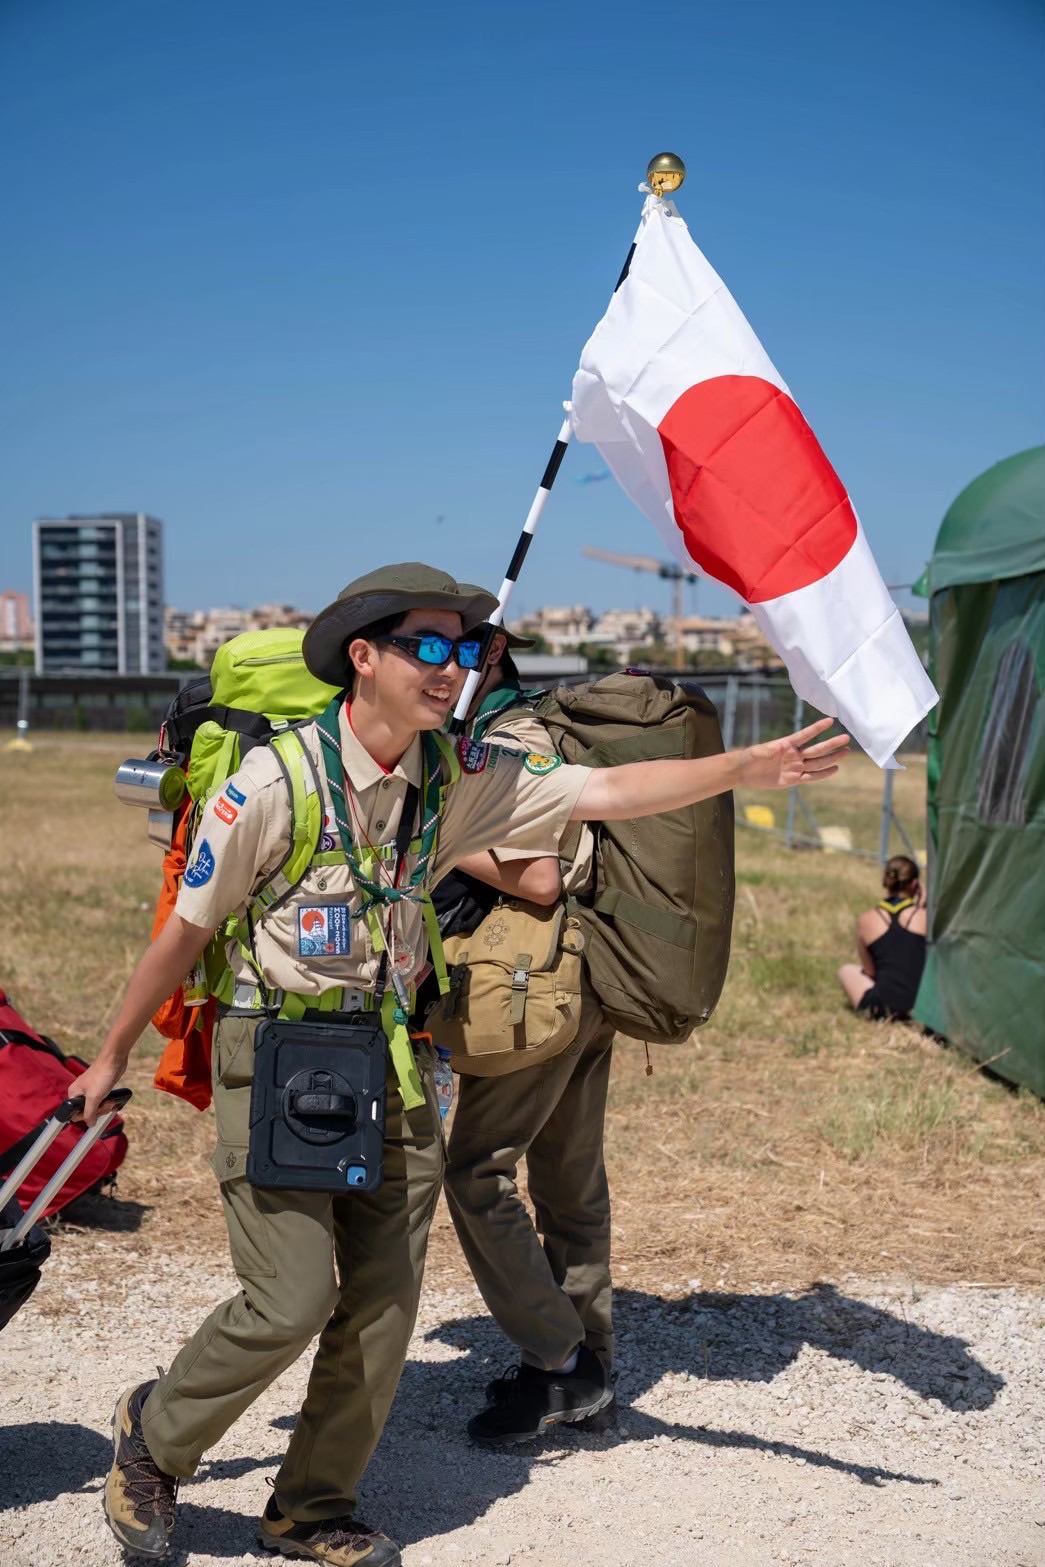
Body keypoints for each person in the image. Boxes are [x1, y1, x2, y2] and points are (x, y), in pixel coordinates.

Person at [71, 562, 848, 1567]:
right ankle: (154, 1441)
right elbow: (182, 935)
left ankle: (310, 1506)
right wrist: (109, 1052)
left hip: (387, 1055)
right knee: (290, 1296)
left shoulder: (457, 775)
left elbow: (605, 786)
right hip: (276, 1049)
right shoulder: (273, 784)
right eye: (426, 647)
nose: (452, 667)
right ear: (364, 658)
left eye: (467, 649)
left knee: (386, 1302)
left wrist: (736, 771)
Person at [425, 625, 620, 1447]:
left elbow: (537, 874)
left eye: (456, 653)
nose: (440, 670)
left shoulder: (507, 739)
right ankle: (589, 1370)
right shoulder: (511, 726)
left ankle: (560, 1360)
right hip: (581, 973)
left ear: (493, 657)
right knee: (569, 1180)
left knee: (474, 1170)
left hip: (534, 983)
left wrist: (435, 823)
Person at [838, 855, 927, 1021]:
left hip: (881, 1007)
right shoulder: (925, 918)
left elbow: (870, 972)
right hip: (921, 1005)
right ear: (915, 885)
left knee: (845, 970)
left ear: (887, 881)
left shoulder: (866, 919)